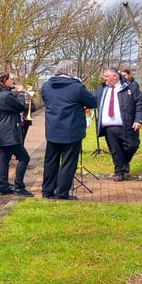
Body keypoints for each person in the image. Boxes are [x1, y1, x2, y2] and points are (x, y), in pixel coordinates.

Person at [40, 60, 98, 200]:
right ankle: (62, 193)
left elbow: (47, 101)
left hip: (53, 128)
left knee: (50, 161)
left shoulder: (46, 86)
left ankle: (47, 191)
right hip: (71, 130)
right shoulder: (76, 87)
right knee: (68, 162)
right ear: (71, 71)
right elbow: (92, 102)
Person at [94, 67, 142, 181]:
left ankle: (124, 162)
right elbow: (90, 100)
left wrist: (138, 120)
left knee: (133, 145)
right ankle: (119, 172)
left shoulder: (130, 87)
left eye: (106, 76)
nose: (104, 78)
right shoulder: (101, 89)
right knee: (115, 150)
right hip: (108, 127)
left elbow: (140, 103)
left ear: (115, 77)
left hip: (127, 124)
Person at [0, 72, 33, 197]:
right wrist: (21, 93)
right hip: (9, 131)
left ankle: (3, 186)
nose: (12, 82)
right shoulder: (5, 96)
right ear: (4, 81)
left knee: (4, 158)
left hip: (0, 131)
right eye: (10, 80)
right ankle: (19, 186)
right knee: (24, 158)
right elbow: (19, 106)